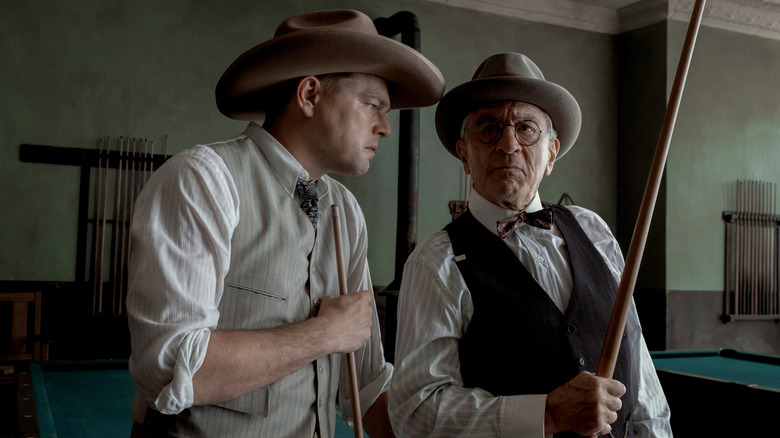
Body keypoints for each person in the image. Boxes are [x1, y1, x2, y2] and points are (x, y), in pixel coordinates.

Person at [126, 9, 444, 438]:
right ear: (310, 94)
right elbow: (168, 367)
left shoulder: (346, 212)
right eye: (372, 105)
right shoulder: (203, 179)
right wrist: (324, 334)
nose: (385, 127)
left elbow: (365, 389)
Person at [388, 52, 672, 438]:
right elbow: (416, 413)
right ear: (464, 154)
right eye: (489, 129)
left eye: (526, 129)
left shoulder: (594, 230)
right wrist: (546, 414)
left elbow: (637, 364)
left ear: (551, 153)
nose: (508, 144)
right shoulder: (434, 263)